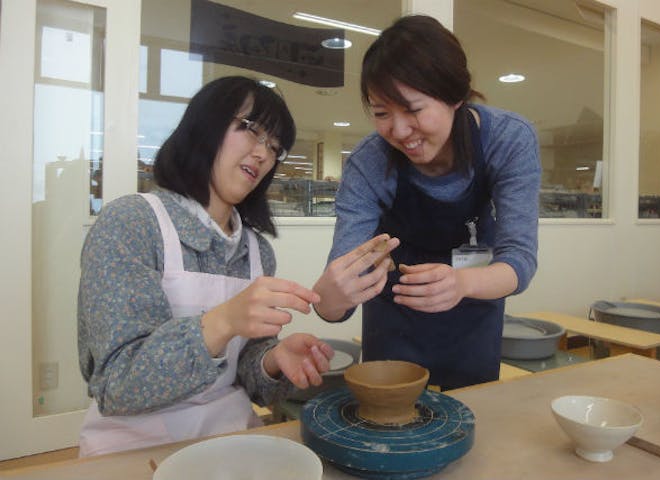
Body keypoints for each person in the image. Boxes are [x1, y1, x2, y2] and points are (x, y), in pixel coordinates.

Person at [77, 76, 334, 457]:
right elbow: (117, 384)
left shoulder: (256, 251)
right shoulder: (132, 224)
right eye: (252, 130)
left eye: (274, 148)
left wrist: (272, 362)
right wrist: (222, 321)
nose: (263, 154)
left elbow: (247, 374)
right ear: (204, 125)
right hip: (134, 449)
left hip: (229, 443)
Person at [312, 15, 541, 391]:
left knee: (471, 420)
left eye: (413, 110)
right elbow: (335, 302)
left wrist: (461, 282)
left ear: (455, 96)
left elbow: (520, 261)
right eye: (382, 113)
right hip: (394, 323)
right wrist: (329, 297)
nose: (399, 132)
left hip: (474, 308)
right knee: (392, 424)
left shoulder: (508, 140)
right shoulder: (369, 162)